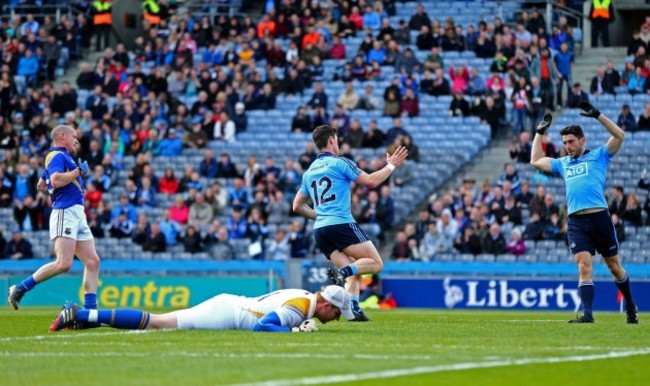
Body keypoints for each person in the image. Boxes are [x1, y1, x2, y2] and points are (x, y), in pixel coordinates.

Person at [529, 103, 638, 324]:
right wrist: (539, 133)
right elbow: (535, 160)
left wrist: (598, 115)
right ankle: (587, 315)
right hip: (577, 221)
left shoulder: (599, 156)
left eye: (571, 142)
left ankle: (630, 306)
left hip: (600, 219)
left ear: (582, 140)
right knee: (583, 265)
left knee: (614, 268)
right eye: (564, 143)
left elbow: (619, 135)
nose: (567, 146)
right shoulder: (563, 163)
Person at [292, 125, 408, 321]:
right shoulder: (340, 163)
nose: (338, 144)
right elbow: (371, 181)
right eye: (336, 140)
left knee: (356, 268)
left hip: (320, 231)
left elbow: (297, 206)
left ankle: (353, 310)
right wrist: (391, 166)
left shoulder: (309, 172)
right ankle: (342, 273)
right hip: (341, 223)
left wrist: (319, 216)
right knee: (375, 264)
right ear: (331, 141)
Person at [8, 125, 100, 313]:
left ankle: (91, 310)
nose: (76, 140)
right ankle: (20, 289)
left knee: (92, 262)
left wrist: (52, 184)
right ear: (62, 136)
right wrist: (78, 173)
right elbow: (56, 180)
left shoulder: (62, 158)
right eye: (74, 136)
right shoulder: (56, 156)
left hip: (77, 213)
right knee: (63, 263)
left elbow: (42, 184)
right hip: (65, 211)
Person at [50, 285, 352, 333]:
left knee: (158, 322)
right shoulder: (301, 306)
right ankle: (81, 314)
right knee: (158, 323)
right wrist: (295, 332)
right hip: (227, 313)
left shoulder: (305, 298)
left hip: (230, 306)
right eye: (336, 312)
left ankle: (86, 317)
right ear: (326, 303)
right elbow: (263, 327)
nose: (336, 318)